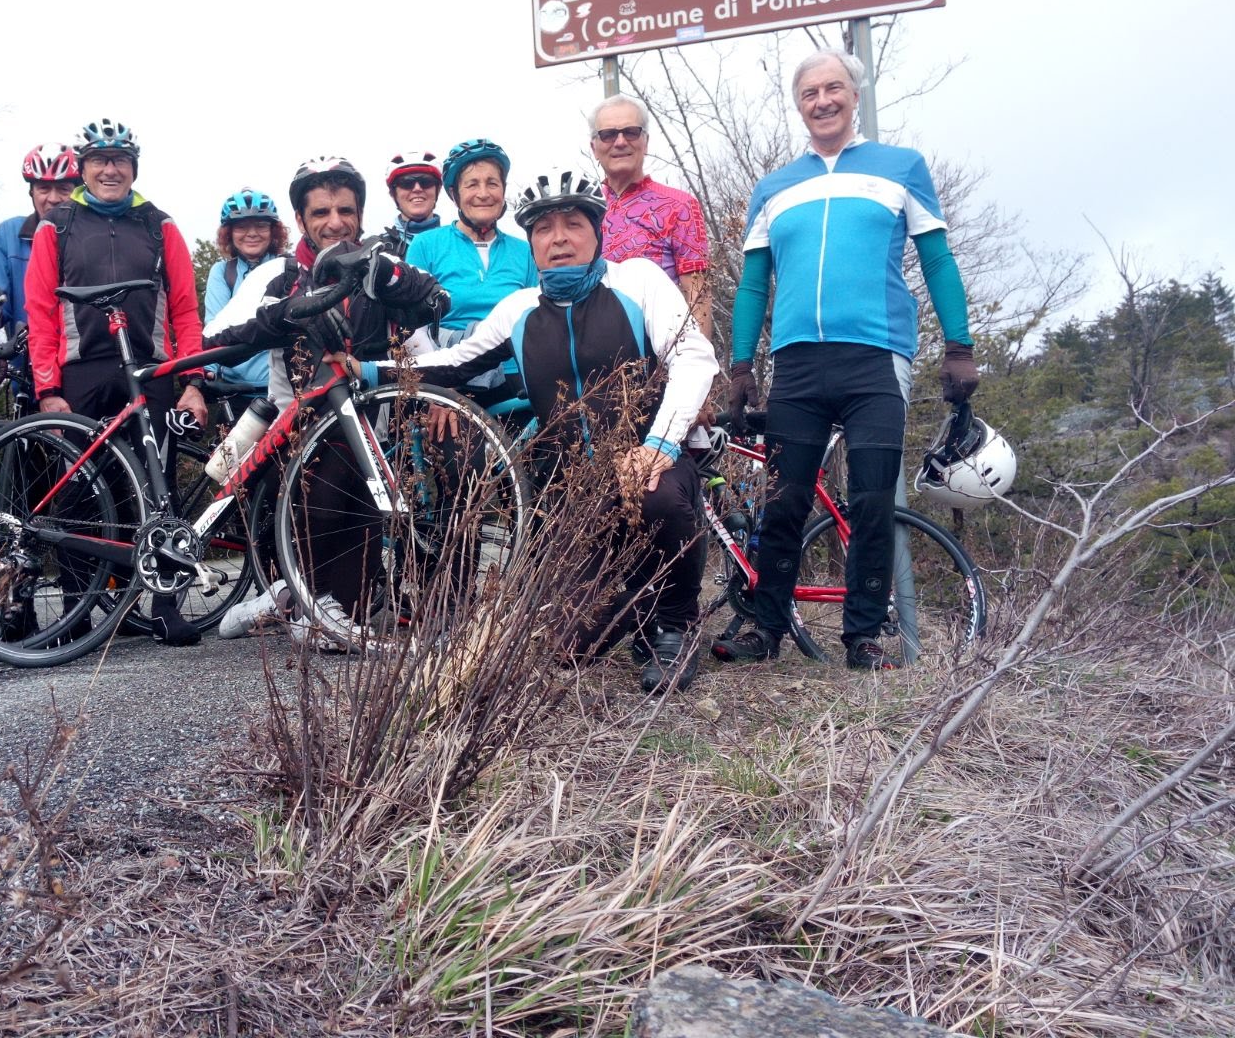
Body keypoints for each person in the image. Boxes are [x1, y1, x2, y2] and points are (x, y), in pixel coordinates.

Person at [344, 168, 719, 692]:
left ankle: (675, 627)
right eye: (544, 229)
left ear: (597, 233)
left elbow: (695, 359)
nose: (559, 238)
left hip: (647, 465)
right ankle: (640, 602)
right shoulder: (519, 309)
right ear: (533, 242)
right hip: (577, 495)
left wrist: (658, 445)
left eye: (572, 224)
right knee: (568, 647)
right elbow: (452, 364)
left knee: (661, 498)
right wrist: (362, 372)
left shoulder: (637, 281)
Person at [714, 49, 979, 672]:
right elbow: (754, 283)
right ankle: (764, 627)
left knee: (870, 498)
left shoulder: (900, 167)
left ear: (855, 95)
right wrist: (742, 364)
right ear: (798, 103)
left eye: (834, 88)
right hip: (797, 363)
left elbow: (937, 260)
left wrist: (960, 346)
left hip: (876, 355)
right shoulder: (774, 186)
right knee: (782, 500)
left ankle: (864, 634)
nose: (823, 100)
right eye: (810, 92)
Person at [203, 156, 449, 649]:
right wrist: (289, 314)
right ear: (300, 219)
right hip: (294, 433)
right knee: (327, 487)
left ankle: (285, 596)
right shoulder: (279, 275)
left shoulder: (378, 266)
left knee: (351, 609)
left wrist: (389, 278)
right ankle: (300, 599)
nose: (335, 222)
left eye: (345, 210)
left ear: (360, 214)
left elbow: (434, 306)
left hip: (368, 437)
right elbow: (216, 335)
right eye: (320, 213)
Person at [23, 118, 208, 643]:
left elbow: (185, 309)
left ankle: (166, 606)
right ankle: (77, 611)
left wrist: (192, 379)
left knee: (160, 488)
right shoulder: (56, 225)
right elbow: (39, 311)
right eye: (100, 161)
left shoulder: (160, 225)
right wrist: (48, 390)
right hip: (81, 373)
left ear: (133, 169)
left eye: (120, 161)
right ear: (83, 169)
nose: (110, 170)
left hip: (150, 371)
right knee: (81, 493)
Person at [404, 139, 538, 409]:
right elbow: (411, 327)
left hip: (516, 377)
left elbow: (538, 318)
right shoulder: (426, 245)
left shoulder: (525, 250)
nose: (484, 193)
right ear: (454, 193)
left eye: (492, 183)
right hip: (452, 378)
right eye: (472, 184)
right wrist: (437, 392)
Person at [590, 95, 711, 340]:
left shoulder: (680, 206)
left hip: (661, 353)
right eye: (608, 134)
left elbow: (698, 294)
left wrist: (701, 366)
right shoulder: (585, 210)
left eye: (631, 132)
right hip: (594, 360)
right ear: (594, 147)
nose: (620, 142)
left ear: (645, 142)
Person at [0, 143, 81, 402]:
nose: (53, 198)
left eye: (63, 189)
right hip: (32, 377)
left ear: (77, 191)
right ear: (31, 192)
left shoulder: (93, 236)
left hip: (88, 371)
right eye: (44, 188)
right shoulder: (10, 236)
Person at [201, 188, 289, 397]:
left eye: (261, 225)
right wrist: (208, 371)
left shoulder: (288, 267)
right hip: (234, 391)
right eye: (241, 226)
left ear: (273, 231)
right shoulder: (223, 272)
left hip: (283, 388)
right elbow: (214, 324)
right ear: (229, 233)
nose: (252, 233)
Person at [372, 148, 444, 255]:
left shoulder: (458, 244)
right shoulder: (375, 248)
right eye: (406, 183)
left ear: (437, 190)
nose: (417, 188)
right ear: (393, 194)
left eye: (426, 182)